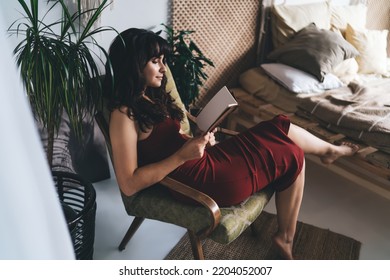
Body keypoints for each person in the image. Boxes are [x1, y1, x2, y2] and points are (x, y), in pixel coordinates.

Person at [104, 28, 359, 260]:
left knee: (279, 125)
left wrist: (200, 139)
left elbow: (167, 142)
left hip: (202, 160)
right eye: (155, 61)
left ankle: (329, 150)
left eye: (163, 61)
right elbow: (129, 184)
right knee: (291, 154)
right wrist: (183, 155)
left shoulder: (150, 95)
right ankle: (285, 238)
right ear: (134, 65)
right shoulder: (124, 115)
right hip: (204, 181)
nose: (163, 68)